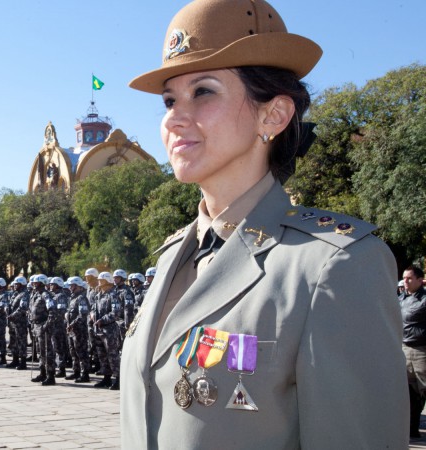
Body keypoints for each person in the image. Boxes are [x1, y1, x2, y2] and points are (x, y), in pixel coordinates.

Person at [119, 0, 407, 448]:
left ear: (273, 114)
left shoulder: (333, 266)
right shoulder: (176, 255)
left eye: (204, 91)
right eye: (170, 100)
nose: (174, 118)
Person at [401, 266, 426, 438]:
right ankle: (412, 429)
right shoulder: (400, 298)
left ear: (420, 280)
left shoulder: (424, 299)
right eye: (404, 278)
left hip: (421, 350)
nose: (405, 281)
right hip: (403, 349)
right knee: (409, 393)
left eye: (409, 278)